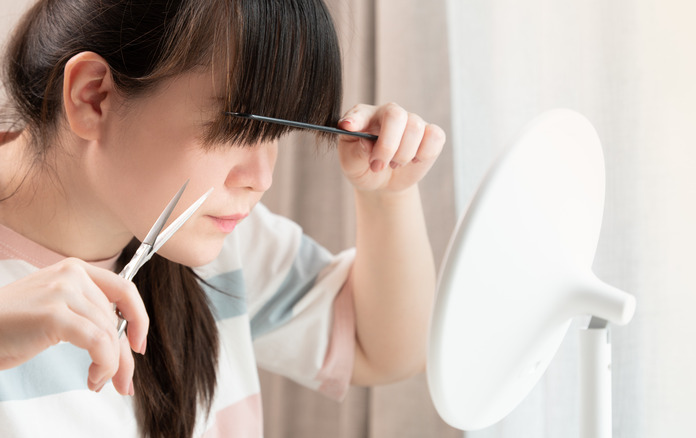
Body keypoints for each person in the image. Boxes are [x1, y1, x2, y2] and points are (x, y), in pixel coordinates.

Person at [0, 0, 445, 437]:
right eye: (235, 130)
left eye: (275, 136)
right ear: (93, 96)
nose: (262, 178)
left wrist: (388, 196)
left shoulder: (213, 236)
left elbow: (380, 348)